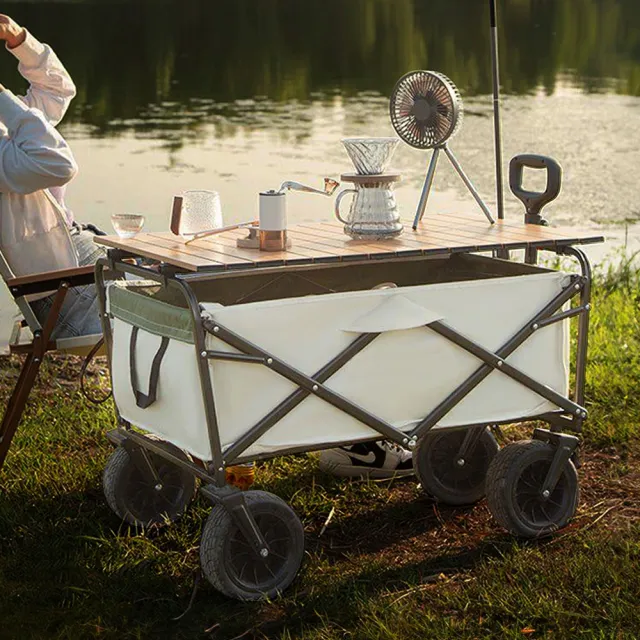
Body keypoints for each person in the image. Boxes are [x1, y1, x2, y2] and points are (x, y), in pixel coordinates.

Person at [0, 14, 105, 341]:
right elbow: (58, 163)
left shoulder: (11, 124)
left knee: (193, 288)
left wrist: (19, 41)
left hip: (81, 254)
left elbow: (58, 91)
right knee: (186, 313)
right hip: (63, 291)